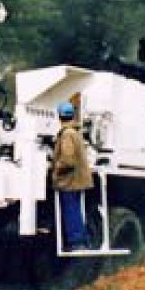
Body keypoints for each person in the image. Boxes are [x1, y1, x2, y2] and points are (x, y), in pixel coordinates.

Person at [52, 101, 94, 251]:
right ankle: (82, 240)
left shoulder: (67, 134)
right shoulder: (74, 132)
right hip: (76, 180)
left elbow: (68, 160)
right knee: (76, 210)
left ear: (59, 116)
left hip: (70, 181)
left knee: (71, 211)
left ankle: (77, 242)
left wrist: (56, 168)